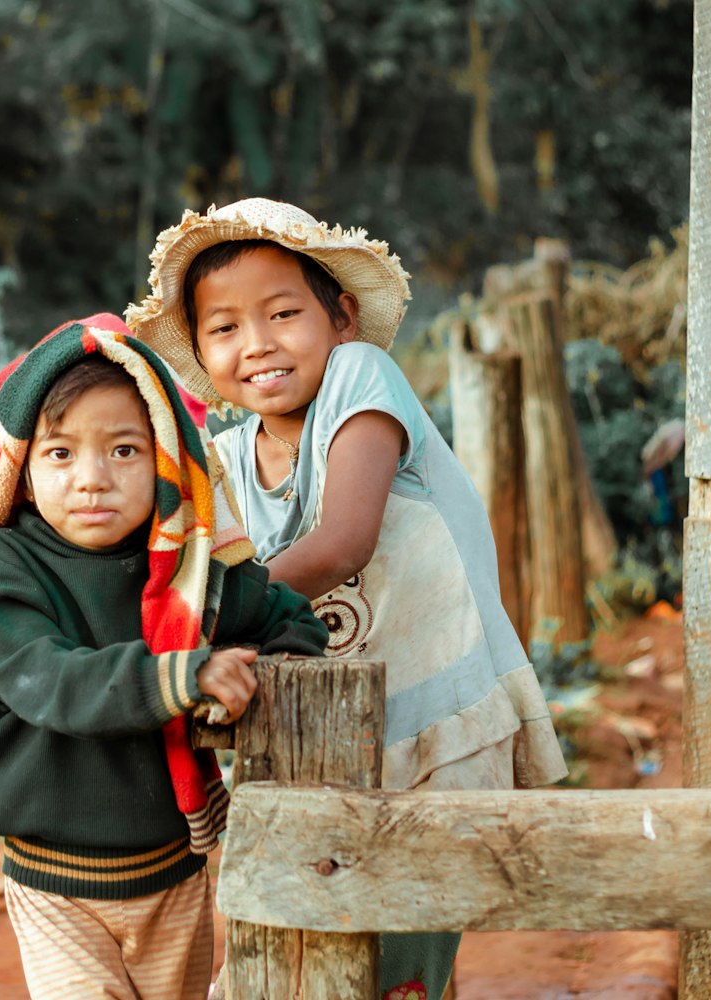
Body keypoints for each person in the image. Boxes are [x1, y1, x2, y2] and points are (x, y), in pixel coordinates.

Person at [127, 199, 568, 999]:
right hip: (309, 749)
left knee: (398, 956)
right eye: (223, 328)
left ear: (342, 317)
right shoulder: (222, 463)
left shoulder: (364, 380)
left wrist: (196, 619)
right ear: (199, 350)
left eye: (283, 313)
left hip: (438, 723)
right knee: (280, 954)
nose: (256, 343)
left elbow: (343, 543)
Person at [0, 312, 329, 1000]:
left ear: (167, 465)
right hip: (51, 884)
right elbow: (48, 679)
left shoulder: (192, 571)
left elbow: (289, 620)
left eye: (123, 451)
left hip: (173, 876)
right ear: (24, 472)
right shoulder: (2, 565)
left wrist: (261, 677)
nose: (92, 479)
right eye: (61, 454)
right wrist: (184, 675)